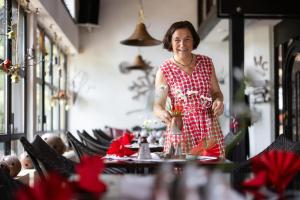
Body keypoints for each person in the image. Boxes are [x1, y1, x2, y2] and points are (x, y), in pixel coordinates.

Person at [153, 21, 225, 157]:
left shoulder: (207, 63)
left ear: (194, 41)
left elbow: (216, 93)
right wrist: (164, 115)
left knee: (212, 173)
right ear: (170, 42)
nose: (182, 44)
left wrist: (218, 101)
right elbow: (158, 106)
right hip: (181, 129)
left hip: (209, 127)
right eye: (177, 40)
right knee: (182, 174)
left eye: (187, 39)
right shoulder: (164, 70)